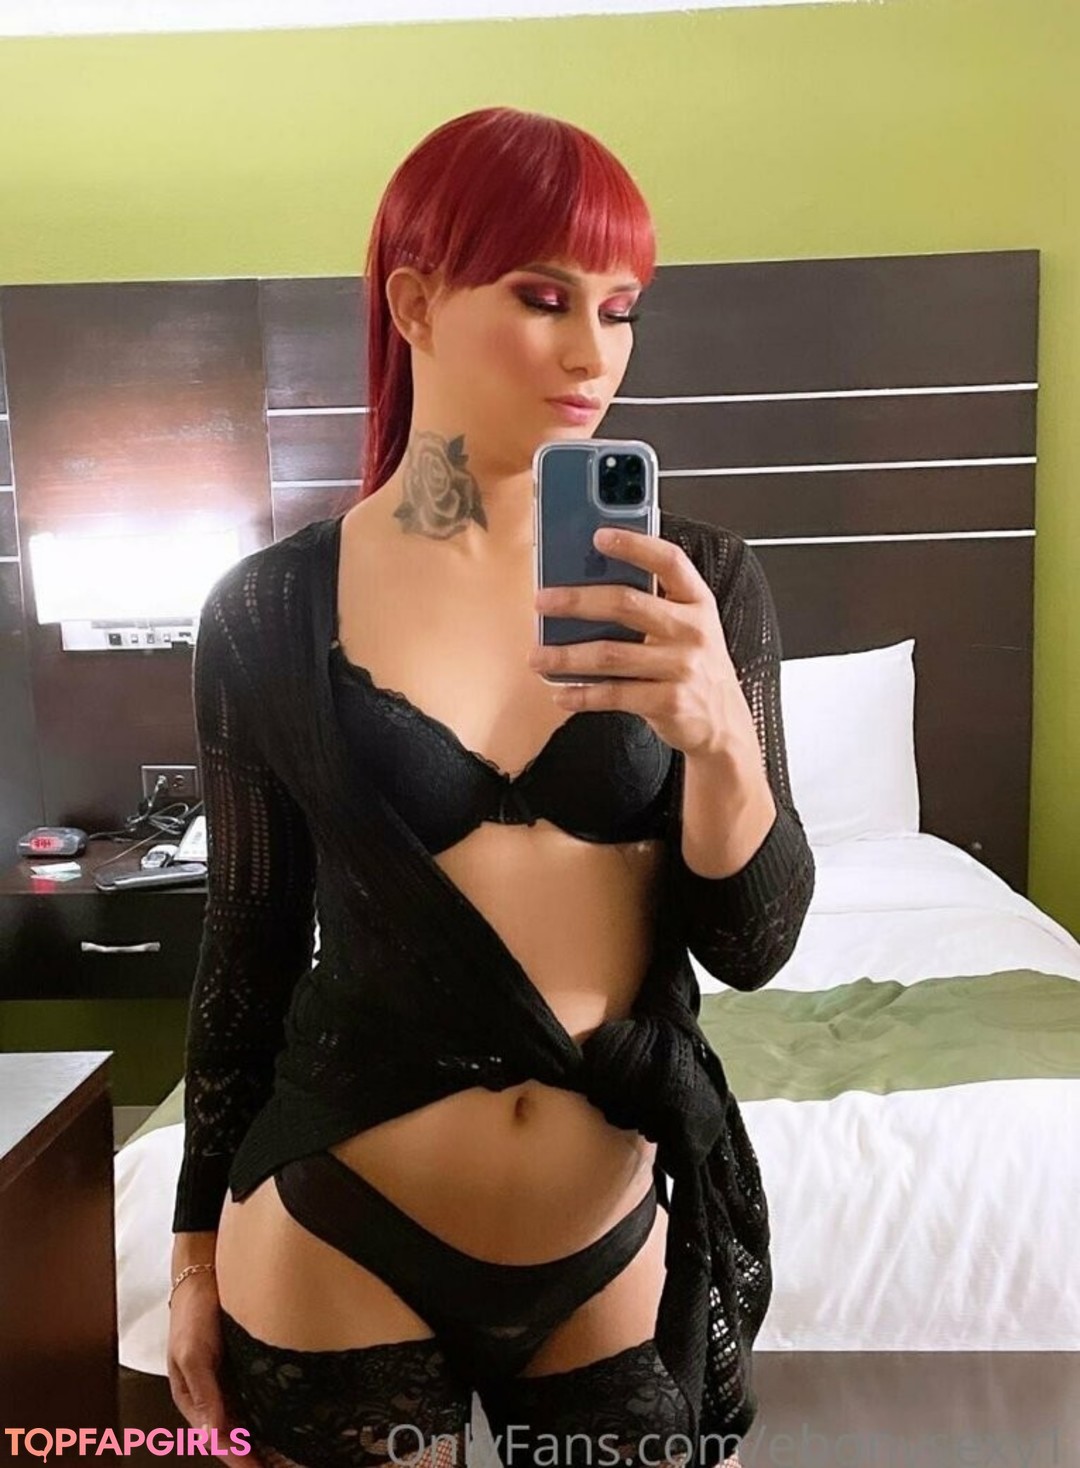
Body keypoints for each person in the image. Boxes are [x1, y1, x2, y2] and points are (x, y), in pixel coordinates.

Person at [166, 106, 815, 1468]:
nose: (594, 355)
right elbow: (247, 950)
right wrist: (188, 1257)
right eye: (543, 297)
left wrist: (720, 740)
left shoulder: (698, 584)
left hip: (603, 1244)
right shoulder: (266, 611)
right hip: (333, 1227)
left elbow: (753, 945)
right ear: (414, 304)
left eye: (619, 311)